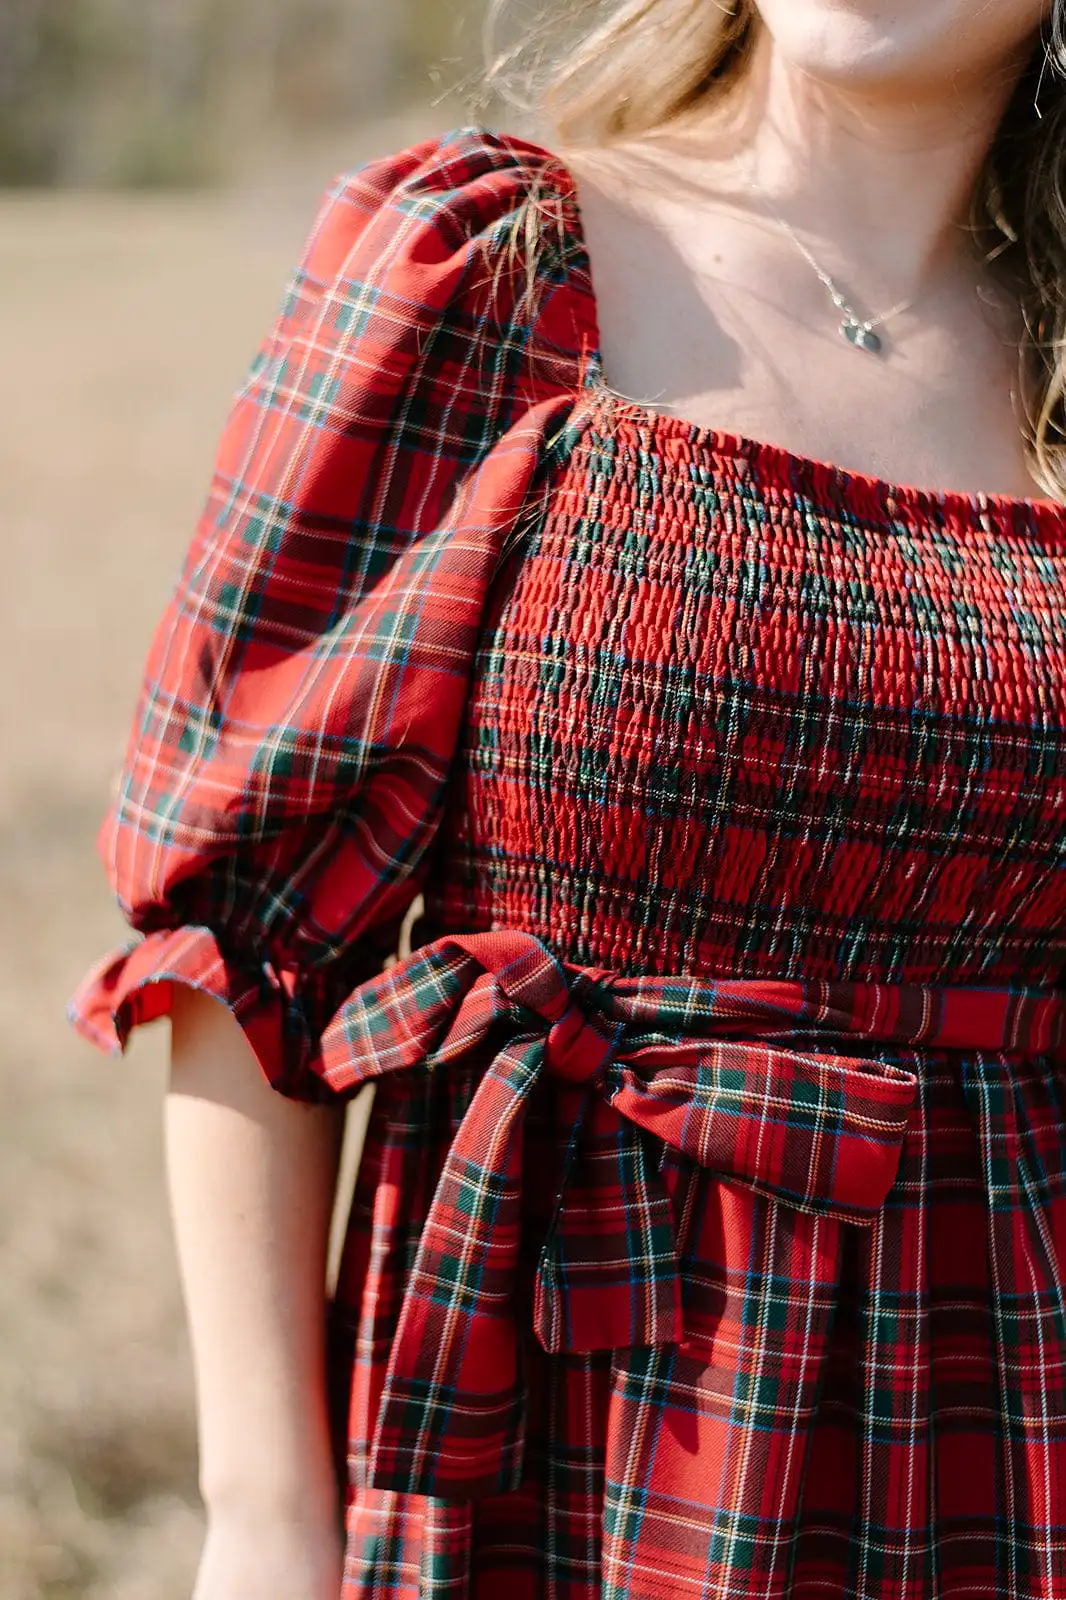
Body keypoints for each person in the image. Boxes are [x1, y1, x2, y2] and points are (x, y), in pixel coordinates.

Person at [69, 1, 1066, 1595]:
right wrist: (263, 1522)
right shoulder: (483, 263)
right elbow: (249, 941)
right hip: (538, 1415)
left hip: (1000, 1431)